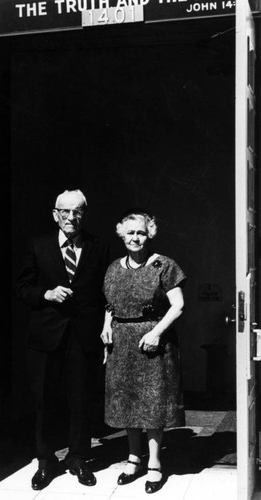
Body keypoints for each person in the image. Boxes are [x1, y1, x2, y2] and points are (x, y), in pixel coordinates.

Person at [16, 189, 109, 490]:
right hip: (45, 336)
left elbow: (105, 293)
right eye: (65, 212)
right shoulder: (38, 245)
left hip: (82, 336)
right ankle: (45, 461)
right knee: (44, 399)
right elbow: (22, 287)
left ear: (85, 213)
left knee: (81, 399)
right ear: (55, 214)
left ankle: (78, 458)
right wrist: (46, 294)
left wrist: (105, 328)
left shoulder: (98, 246)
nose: (72, 217)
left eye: (78, 211)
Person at [100, 209, 186, 494]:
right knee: (126, 402)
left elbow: (178, 306)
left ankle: (155, 465)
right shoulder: (114, 268)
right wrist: (106, 326)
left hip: (153, 342)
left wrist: (155, 333)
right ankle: (133, 459)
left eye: (140, 232)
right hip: (121, 344)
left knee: (152, 404)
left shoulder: (163, 265)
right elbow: (111, 304)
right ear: (121, 236)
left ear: (150, 234)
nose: (135, 238)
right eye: (130, 233)